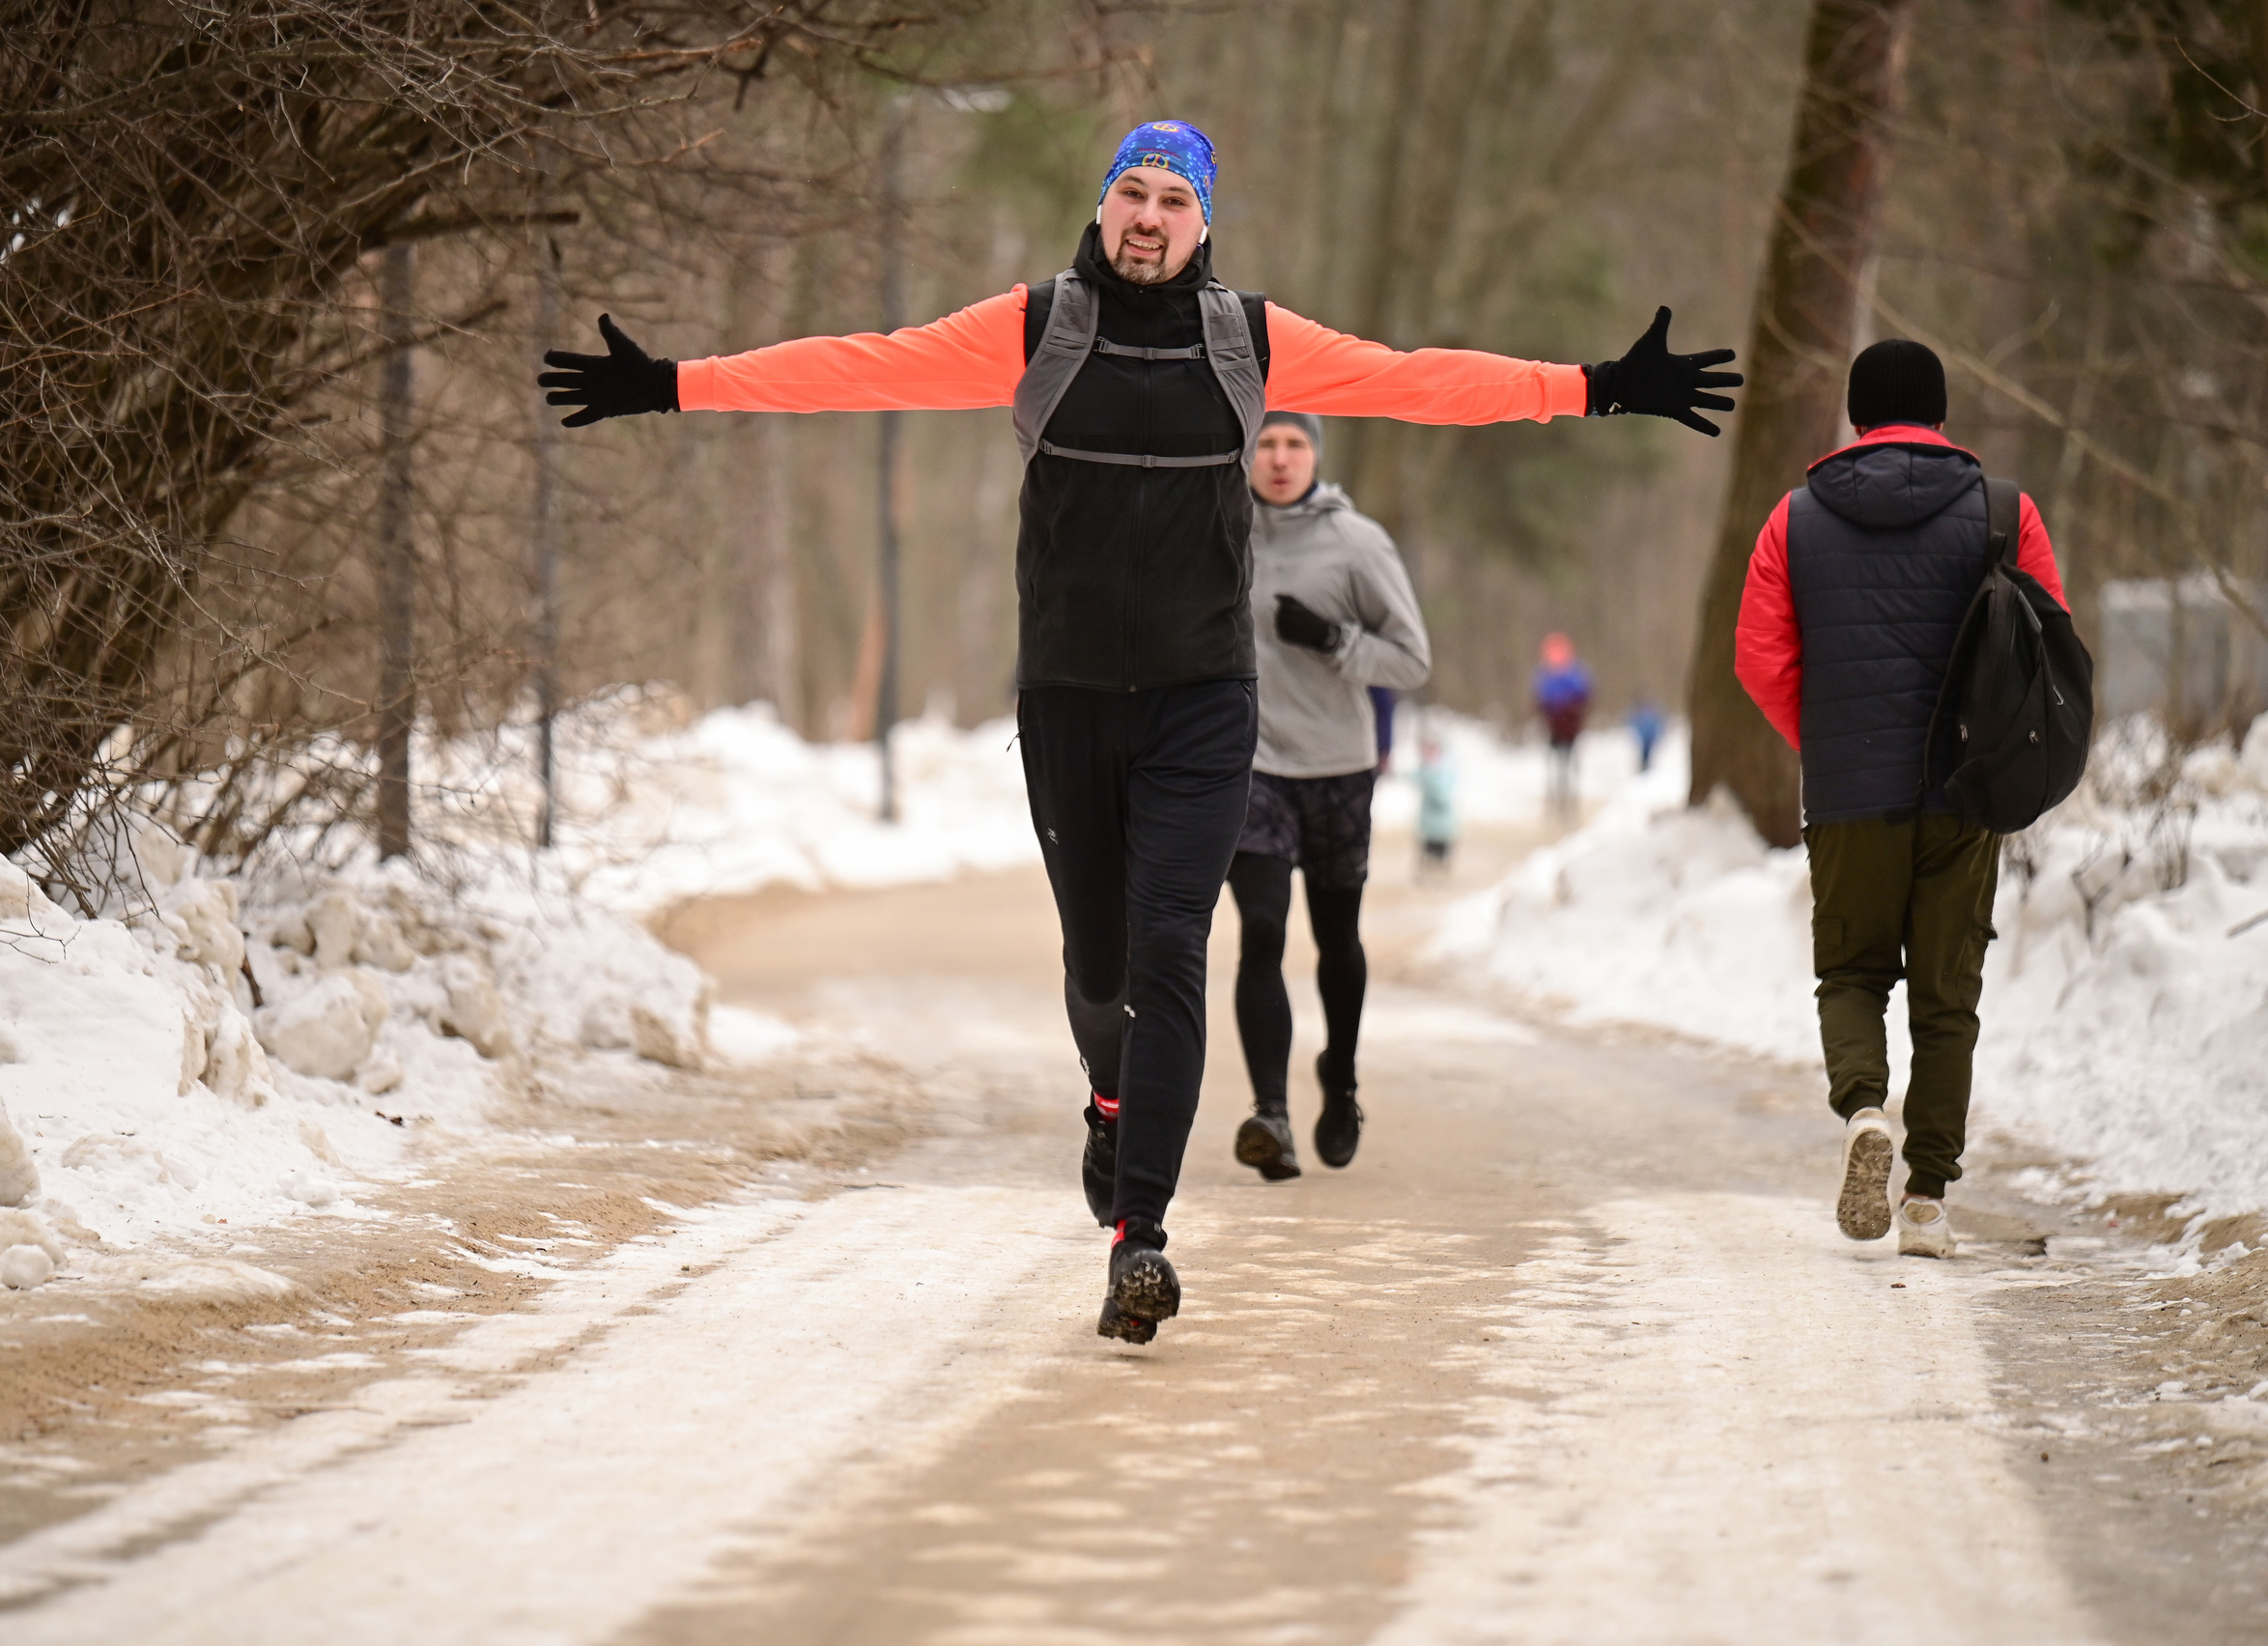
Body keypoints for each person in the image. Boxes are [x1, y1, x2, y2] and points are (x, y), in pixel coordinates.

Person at [541, 119, 1741, 1344]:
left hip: (1204, 702)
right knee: (1100, 971)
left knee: (1171, 956)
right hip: (1066, 698)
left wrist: (1590, 389)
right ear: (1104, 206)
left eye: (1174, 198)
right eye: (1132, 193)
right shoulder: (1036, 327)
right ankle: (1110, 1102)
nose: (1150, 216)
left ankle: (1142, 1240)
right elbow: (862, 365)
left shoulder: (1251, 342)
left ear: (1204, 223)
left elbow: (1417, 378)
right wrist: (677, 383)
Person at [1733, 339, 2067, 1260]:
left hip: (1847, 794)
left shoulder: (1793, 520)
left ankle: (1862, 1112)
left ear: (1855, 414)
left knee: (1851, 973)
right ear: (1940, 412)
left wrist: (1832, 742)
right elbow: (2045, 649)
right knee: (1946, 997)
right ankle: (1925, 1200)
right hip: (1966, 795)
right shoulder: (2006, 512)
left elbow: (1758, 658)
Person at [1225, 412, 1430, 1182]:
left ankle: (1338, 1082)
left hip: (1339, 769)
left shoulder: (1357, 543)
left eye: (1294, 445)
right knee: (1263, 933)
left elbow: (1412, 660)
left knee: (1336, 939)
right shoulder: (1219, 527)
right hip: (1250, 768)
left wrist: (1333, 639)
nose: (1279, 459)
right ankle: (1269, 1114)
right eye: (1266, 445)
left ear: (1315, 454)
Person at [1534, 634, 1592, 818]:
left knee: (1564, 766)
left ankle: (1565, 803)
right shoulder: (1554, 675)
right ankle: (1561, 803)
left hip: (1566, 729)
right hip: (1560, 729)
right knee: (1560, 767)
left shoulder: (1570, 674)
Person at [1415, 731, 1459, 876]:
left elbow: (1444, 792)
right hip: (1429, 823)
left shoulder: (1444, 771)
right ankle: (1428, 872)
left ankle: (1440, 872)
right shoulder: (1424, 770)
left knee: (1441, 850)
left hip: (1442, 823)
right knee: (1428, 849)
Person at [1627, 695, 1665, 773]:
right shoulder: (1638, 712)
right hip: (1643, 738)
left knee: (1648, 754)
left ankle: (1646, 769)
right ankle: (1644, 769)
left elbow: (1658, 724)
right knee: (1643, 754)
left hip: (1649, 738)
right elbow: (1632, 723)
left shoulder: (1651, 712)